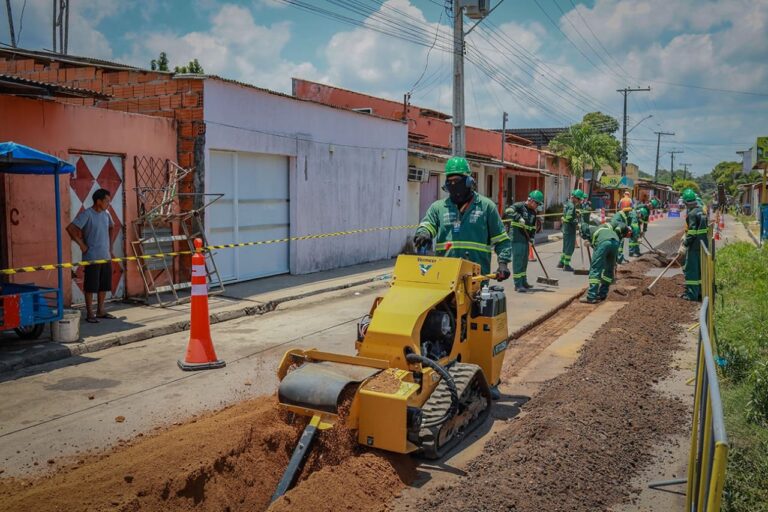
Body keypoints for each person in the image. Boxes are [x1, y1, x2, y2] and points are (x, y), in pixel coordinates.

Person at [414, 157, 512, 280]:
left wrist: (503, 264)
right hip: (445, 276)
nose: (453, 184)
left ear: (469, 181)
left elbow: (501, 240)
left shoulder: (486, 207)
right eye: (450, 181)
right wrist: (423, 233)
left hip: (476, 277)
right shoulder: (438, 207)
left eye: (457, 180)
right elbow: (428, 224)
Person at [66, 188, 115, 323]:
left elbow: (112, 227)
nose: (108, 203)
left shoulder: (106, 214)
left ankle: (101, 310)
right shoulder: (87, 214)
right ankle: (90, 313)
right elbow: (70, 228)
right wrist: (81, 244)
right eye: (106, 201)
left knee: (104, 285)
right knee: (91, 286)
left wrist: (110, 246)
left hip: (105, 256)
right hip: (92, 257)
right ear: (98, 201)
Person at [578, 222, 630, 303]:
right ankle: (602, 294)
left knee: (595, 268)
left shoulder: (590, 232)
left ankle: (591, 297)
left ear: (585, 232)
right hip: (615, 242)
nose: (585, 238)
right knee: (608, 270)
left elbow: (598, 248)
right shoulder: (599, 228)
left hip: (604, 243)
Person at [504, 190, 543, 293]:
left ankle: (523, 281)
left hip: (526, 239)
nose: (537, 206)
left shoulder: (533, 212)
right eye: (537, 203)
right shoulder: (519, 206)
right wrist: (518, 217)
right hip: (517, 238)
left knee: (524, 261)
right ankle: (518, 284)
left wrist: (532, 238)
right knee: (518, 261)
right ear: (531, 201)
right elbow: (508, 211)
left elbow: (532, 227)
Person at [678, 188, 708, 301]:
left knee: (692, 271)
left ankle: (691, 295)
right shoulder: (701, 210)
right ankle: (700, 292)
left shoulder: (691, 213)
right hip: (703, 244)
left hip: (694, 246)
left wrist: (685, 244)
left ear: (686, 202)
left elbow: (692, 231)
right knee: (700, 270)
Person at [558, 189, 586, 271]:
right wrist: (577, 221)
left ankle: (561, 262)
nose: (579, 201)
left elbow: (566, 215)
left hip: (565, 229)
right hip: (570, 230)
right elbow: (569, 218)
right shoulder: (572, 206)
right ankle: (566, 265)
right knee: (570, 248)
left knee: (565, 247)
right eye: (579, 199)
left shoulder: (567, 204)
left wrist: (575, 213)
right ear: (575, 198)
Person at [609, 199, 637, 263]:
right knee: (620, 244)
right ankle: (619, 259)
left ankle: (618, 258)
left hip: (616, 229)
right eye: (629, 212)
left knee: (618, 244)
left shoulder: (622, 214)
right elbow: (622, 224)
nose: (630, 213)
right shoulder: (622, 215)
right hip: (617, 230)